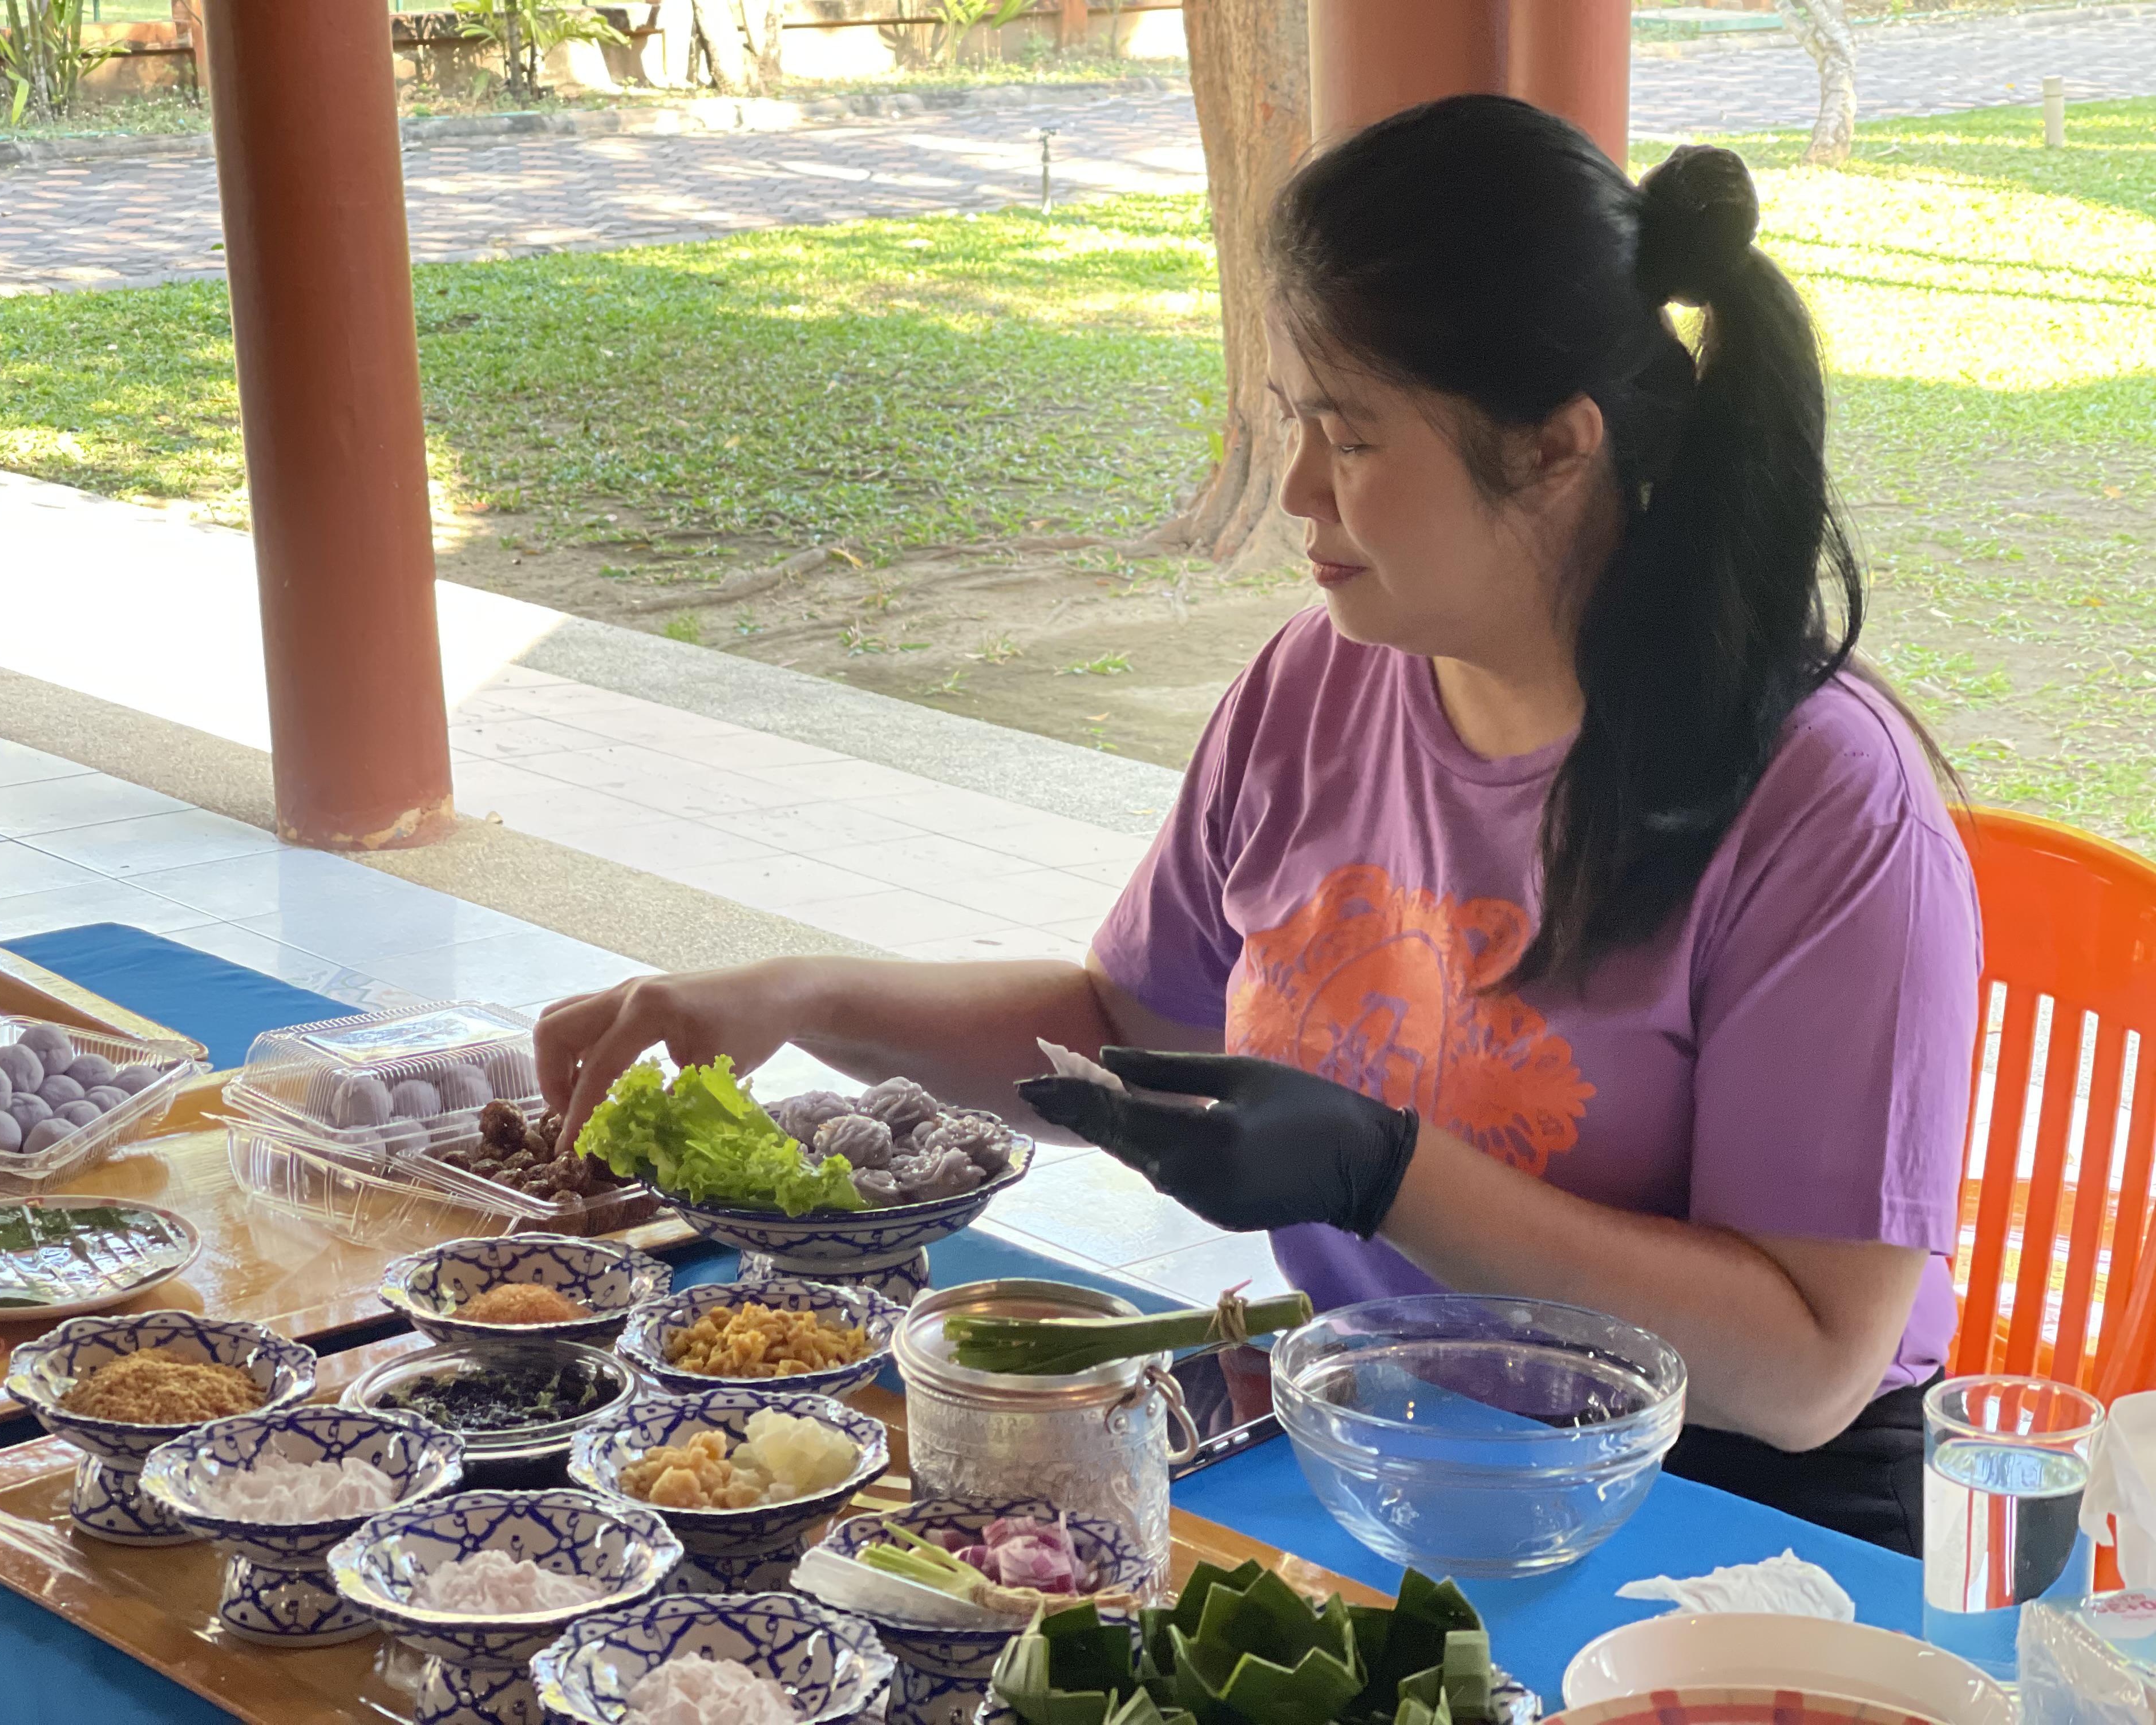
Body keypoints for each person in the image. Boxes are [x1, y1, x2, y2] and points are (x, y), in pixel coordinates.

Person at [535, 96, 1981, 1556]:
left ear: (1555, 449)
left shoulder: (1823, 803)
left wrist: (1385, 1170)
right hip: (1372, 1444)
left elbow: (1804, 1369)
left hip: (1721, 1515)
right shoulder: (1323, 679)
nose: (1294, 490)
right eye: (1296, 419)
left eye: (1348, 436)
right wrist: (794, 1000)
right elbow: (1125, 1022)